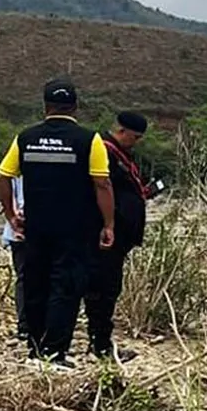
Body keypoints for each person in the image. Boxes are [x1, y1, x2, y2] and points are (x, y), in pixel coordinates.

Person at [0, 78, 115, 367]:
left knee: (36, 284)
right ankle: (55, 352)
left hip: (36, 226)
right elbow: (102, 184)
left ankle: (35, 348)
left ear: (46, 106)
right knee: (66, 287)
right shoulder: (89, 139)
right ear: (75, 107)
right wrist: (109, 224)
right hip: (76, 229)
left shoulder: (25, 137)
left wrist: (11, 216)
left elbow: (3, 176)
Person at [84, 110, 158, 361]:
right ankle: (99, 344)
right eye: (134, 137)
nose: (136, 142)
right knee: (102, 289)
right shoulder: (103, 151)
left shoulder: (123, 155)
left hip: (121, 236)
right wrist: (110, 224)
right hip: (105, 234)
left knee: (109, 288)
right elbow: (102, 188)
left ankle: (101, 340)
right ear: (121, 131)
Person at [2, 175, 26, 341]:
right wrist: (12, 217)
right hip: (20, 228)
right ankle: (25, 325)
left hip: (47, 226)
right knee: (24, 277)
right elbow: (4, 183)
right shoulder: (16, 162)